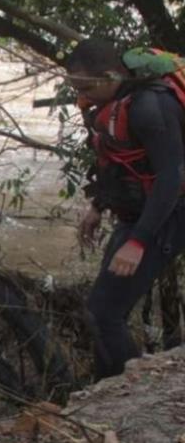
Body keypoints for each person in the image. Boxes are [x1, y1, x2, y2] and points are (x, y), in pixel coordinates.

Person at [65, 38, 185, 378]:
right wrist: (98, 205)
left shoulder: (150, 108)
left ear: (107, 76)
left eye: (83, 85)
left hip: (169, 215)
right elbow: (117, 161)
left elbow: (170, 179)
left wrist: (139, 242)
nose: (79, 93)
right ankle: (107, 383)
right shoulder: (115, 101)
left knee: (103, 312)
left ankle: (128, 388)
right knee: (99, 310)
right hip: (139, 214)